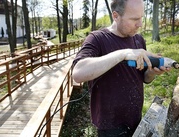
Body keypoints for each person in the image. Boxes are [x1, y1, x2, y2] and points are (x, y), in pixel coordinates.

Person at [72, 0, 170, 136]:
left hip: (135, 118)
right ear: (116, 16)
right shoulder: (97, 39)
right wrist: (123, 54)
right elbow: (78, 73)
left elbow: (144, 79)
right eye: (135, 19)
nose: (140, 24)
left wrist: (151, 72)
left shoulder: (139, 40)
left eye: (141, 18)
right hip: (109, 125)